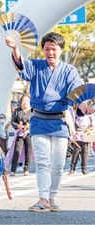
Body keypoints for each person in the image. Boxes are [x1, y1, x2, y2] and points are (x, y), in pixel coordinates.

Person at [5, 32, 95, 212]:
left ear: (61, 50)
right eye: (47, 49)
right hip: (39, 120)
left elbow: (76, 92)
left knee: (58, 163)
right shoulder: (36, 66)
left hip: (60, 122)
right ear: (43, 50)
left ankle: (52, 198)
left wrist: (84, 106)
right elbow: (21, 64)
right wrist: (15, 48)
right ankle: (43, 197)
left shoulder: (69, 70)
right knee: (43, 161)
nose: (50, 53)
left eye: (53, 49)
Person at [9, 95, 33, 177]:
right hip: (20, 133)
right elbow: (13, 122)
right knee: (17, 151)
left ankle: (26, 169)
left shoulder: (33, 111)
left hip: (29, 133)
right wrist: (18, 126)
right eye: (24, 100)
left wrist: (29, 127)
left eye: (27, 101)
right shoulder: (17, 111)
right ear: (21, 102)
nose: (25, 102)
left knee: (28, 151)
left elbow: (35, 121)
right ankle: (13, 170)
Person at [69, 103, 94, 175]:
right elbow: (72, 122)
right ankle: (72, 168)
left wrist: (92, 132)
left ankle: (84, 169)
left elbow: (93, 122)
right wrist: (71, 133)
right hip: (77, 132)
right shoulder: (75, 112)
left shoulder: (89, 113)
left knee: (85, 151)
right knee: (75, 151)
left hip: (86, 132)